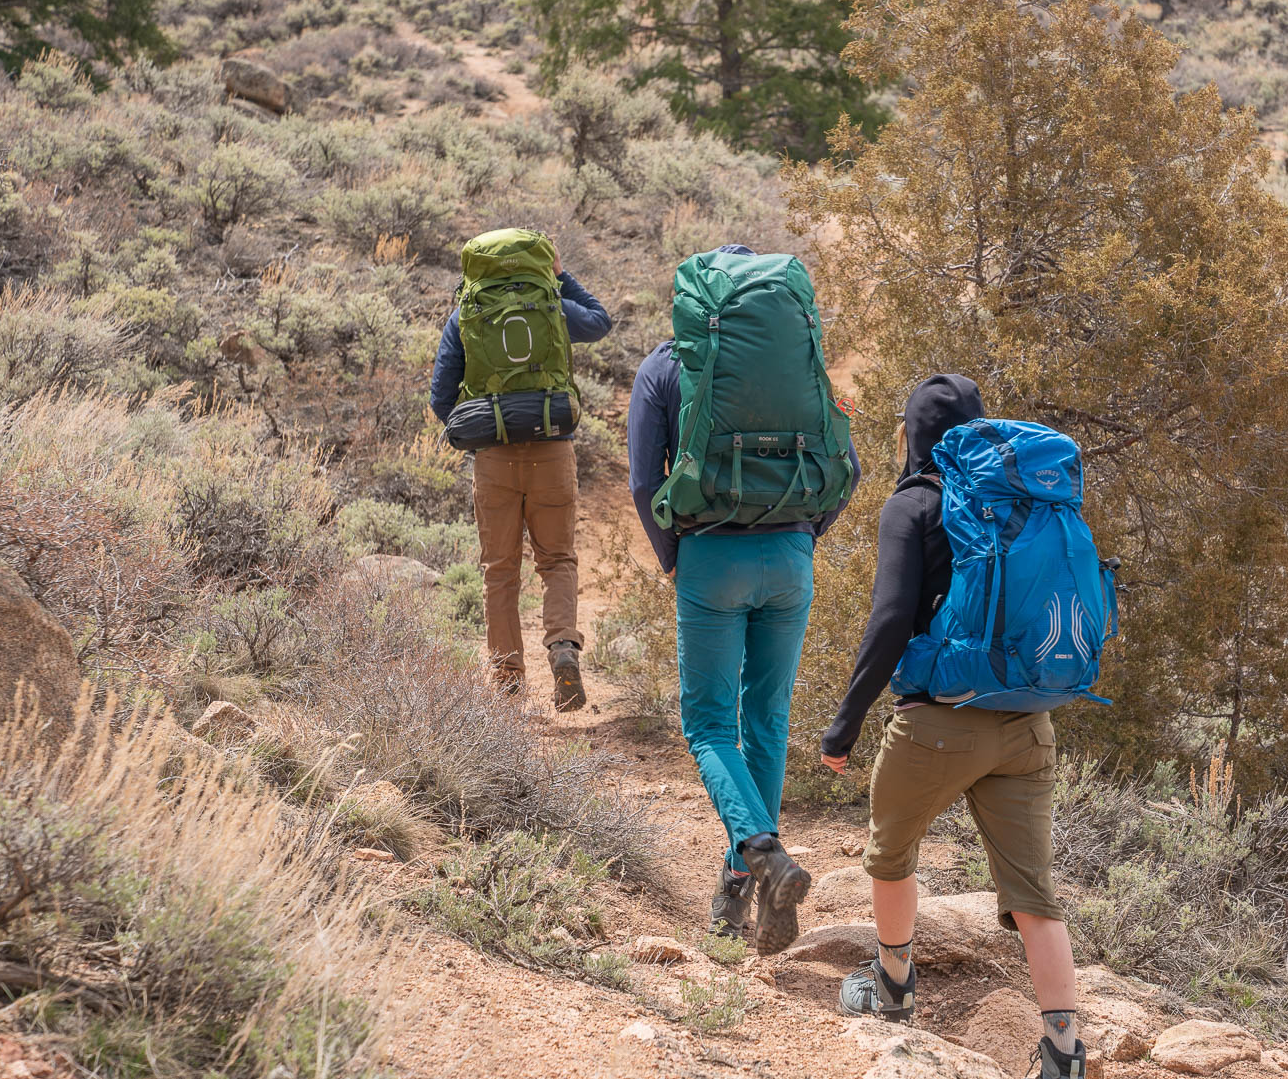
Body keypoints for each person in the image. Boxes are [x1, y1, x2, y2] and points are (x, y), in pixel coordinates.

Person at [820, 374, 1089, 1079]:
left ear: (911, 435)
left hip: (937, 724)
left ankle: (893, 989)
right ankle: (1064, 1051)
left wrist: (844, 726)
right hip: (1028, 725)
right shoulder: (1022, 501)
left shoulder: (913, 504)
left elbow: (889, 622)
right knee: (1034, 896)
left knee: (890, 853)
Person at [627, 244, 860, 954]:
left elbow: (643, 480)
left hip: (710, 557)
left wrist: (674, 557)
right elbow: (846, 466)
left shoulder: (664, 366)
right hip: (790, 558)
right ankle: (742, 888)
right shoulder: (801, 365)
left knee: (707, 726)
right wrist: (804, 536)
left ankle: (759, 852)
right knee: (767, 719)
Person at [430, 240, 611, 711]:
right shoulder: (552, 305)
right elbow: (599, 321)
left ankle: (508, 680)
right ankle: (563, 647)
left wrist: (480, 431)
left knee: (499, 570)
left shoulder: (467, 315)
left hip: (494, 458)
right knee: (557, 560)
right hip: (553, 451)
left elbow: (440, 398)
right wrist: (562, 276)